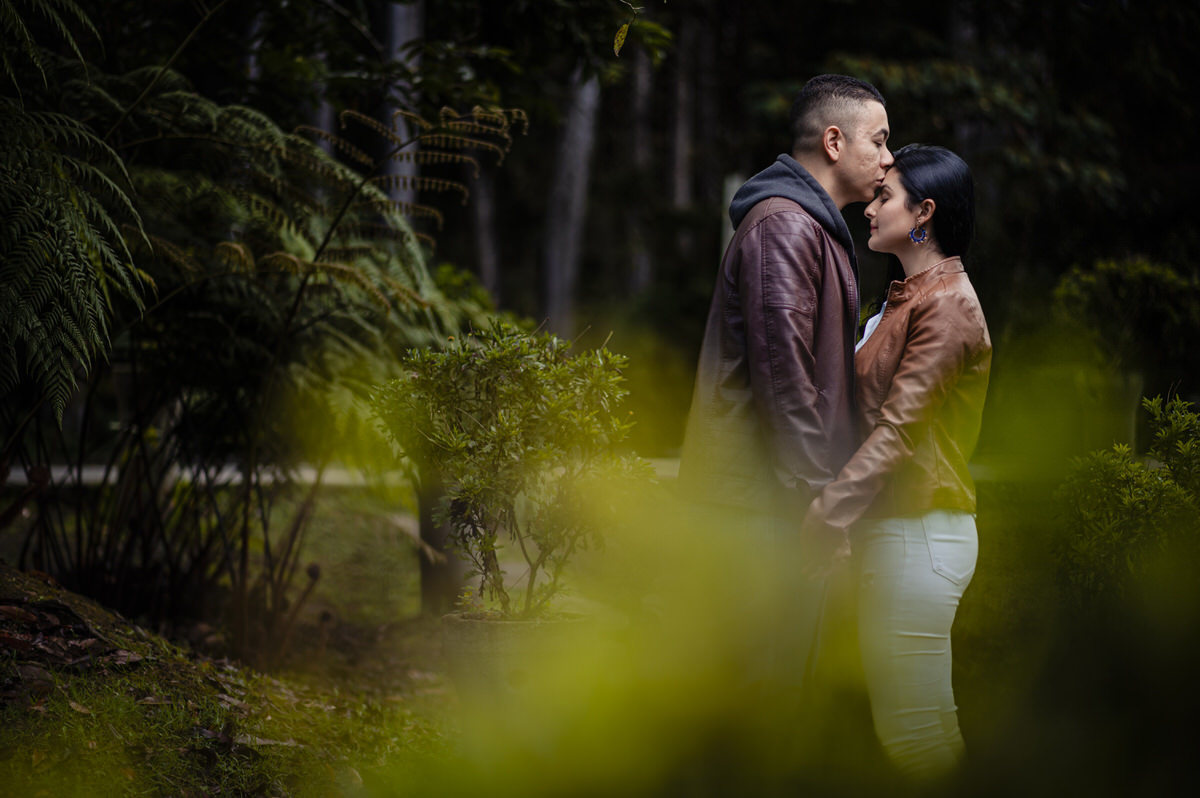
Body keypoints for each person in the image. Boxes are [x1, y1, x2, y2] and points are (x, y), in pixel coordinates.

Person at [677, 74, 893, 687]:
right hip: (759, 510)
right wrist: (820, 504)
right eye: (878, 141)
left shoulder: (809, 225)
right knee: (763, 692)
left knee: (781, 687)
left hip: (773, 504)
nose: (887, 159)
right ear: (832, 141)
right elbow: (785, 381)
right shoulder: (786, 227)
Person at [801, 144, 991, 778]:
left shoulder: (948, 305)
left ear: (924, 213)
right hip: (905, 530)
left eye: (885, 196)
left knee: (914, 737)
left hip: (920, 531)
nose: (871, 206)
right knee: (923, 729)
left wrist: (828, 512)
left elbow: (900, 430)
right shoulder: (909, 296)